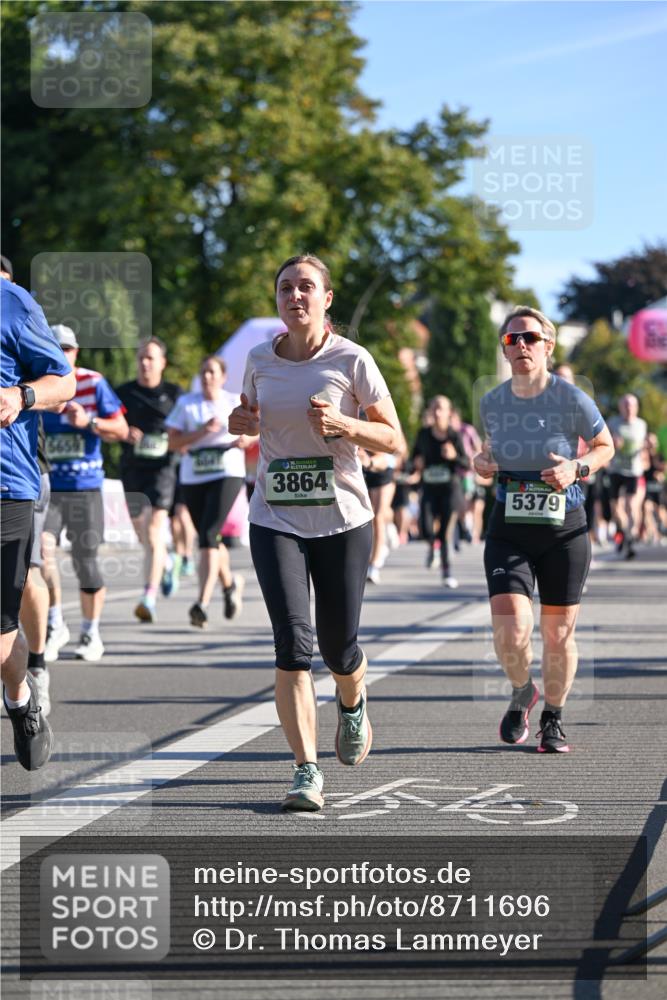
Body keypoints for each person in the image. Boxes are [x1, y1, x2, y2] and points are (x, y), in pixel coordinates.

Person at [229, 254, 402, 812]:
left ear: (327, 298)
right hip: (274, 518)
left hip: (344, 520)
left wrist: (344, 424)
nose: (295, 295)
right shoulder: (259, 358)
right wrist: (243, 423)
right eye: (285, 287)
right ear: (276, 299)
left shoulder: (353, 359)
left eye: (307, 287)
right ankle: (306, 770)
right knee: (293, 645)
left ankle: (352, 704)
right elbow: (247, 415)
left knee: (338, 647)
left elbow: (393, 439)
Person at [474, 306, 614, 754]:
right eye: (511, 340)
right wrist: (481, 463)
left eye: (529, 338)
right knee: (511, 632)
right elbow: (489, 454)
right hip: (508, 527)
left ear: (548, 346)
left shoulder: (571, 398)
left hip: (563, 530)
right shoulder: (492, 401)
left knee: (557, 635)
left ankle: (552, 716)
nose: (520, 346)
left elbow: (605, 446)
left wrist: (578, 467)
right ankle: (522, 690)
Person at [1, 274, 75, 768]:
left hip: (5, 486)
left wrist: (21, 396)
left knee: (2, 628)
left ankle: (19, 697)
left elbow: (63, 382)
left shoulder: (12, 303)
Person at [42, 326, 128, 662]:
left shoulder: (93, 383)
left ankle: (91, 632)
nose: (62, 355)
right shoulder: (37, 384)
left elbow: (120, 429)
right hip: (48, 486)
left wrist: (89, 422)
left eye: (67, 349)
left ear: (76, 353)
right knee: (42, 553)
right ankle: (54, 623)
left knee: (85, 562)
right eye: (55, 348)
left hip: (85, 487)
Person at [165, 355, 247, 628]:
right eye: (203, 372)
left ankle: (201, 603)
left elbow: (257, 431)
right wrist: (201, 432)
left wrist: (248, 438)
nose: (207, 377)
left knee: (209, 535)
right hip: (194, 475)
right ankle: (230, 584)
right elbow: (172, 442)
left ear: (223, 376)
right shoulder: (187, 403)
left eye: (212, 372)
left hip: (227, 471)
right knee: (208, 538)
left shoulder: (234, 401)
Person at [115, 337, 182, 622]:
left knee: (154, 530)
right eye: (141, 357)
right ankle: (166, 561)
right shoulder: (123, 393)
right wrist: (124, 431)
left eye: (151, 358)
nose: (145, 363)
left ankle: (149, 596)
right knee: (141, 532)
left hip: (162, 469)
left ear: (162, 363)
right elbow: (109, 423)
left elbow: (185, 427)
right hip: (132, 467)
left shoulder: (175, 393)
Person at [412, 395, 468, 588]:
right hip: (429, 488)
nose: (436, 412)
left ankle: (447, 572)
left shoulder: (454, 436)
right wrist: (416, 463)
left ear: (448, 413)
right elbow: (413, 458)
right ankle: (432, 546)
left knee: (445, 532)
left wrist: (453, 456)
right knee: (425, 528)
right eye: (434, 408)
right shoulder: (423, 434)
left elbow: (466, 463)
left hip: (449, 490)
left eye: (441, 408)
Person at [607, 393, 648, 559]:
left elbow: (644, 447)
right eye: (625, 404)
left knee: (632, 506)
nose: (629, 408)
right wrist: (614, 444)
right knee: (616, 508)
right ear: (620, 407)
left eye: (631, 405)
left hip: (634, 470)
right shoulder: (613, 423)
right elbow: (604, 445)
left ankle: (630, 538)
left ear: (636, 407)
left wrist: (648, 447)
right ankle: (624, 533)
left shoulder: (641, 424)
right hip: (615, 470)